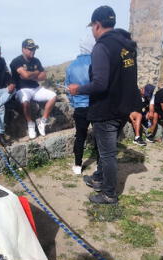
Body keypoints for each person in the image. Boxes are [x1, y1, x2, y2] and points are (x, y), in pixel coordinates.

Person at [68, 6, 139, 204]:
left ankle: (109, 193)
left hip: (107, 109)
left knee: (107, 154)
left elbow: (100, 83)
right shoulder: (128, 46)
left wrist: (77, 90)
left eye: (92, 27)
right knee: (106, 149)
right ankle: (99, 178)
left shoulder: (102, 47)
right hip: (123, 108)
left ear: (97, 25)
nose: (92, 31)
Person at [10, 39, 57, 139]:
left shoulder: (36, 60)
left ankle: (42, 121)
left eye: (34, 49)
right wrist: (36, 73)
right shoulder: (16, 61)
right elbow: (25, 75)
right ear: (23, 49)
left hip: (36, 88)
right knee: (25, 101)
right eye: (30, 49)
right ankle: (30, 124)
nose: (33, 51)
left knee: (53, 96)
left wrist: (31, 75)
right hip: (22, 89)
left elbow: (44, 76)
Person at [65, 34, 95, 175]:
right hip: (96, 105)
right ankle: (100, 164)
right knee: (100, 136)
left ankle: (77, 165)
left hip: (80, 107)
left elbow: (68, 90)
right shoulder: (96, 62)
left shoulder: (71, 67)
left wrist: (74, 103)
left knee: (80, 136)